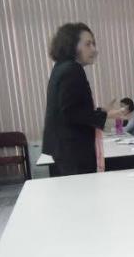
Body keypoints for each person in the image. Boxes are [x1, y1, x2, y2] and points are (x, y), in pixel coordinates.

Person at [42, 22, 122, 176]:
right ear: (72, 45)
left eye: (93, 44)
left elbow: (72, 108)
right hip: (74, 149)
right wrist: (105, 114)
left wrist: (101, 111)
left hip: (65, 148)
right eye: (88, 44)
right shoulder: (72, 69)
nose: (94, 49)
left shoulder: (61, 67)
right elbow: (71, 113)